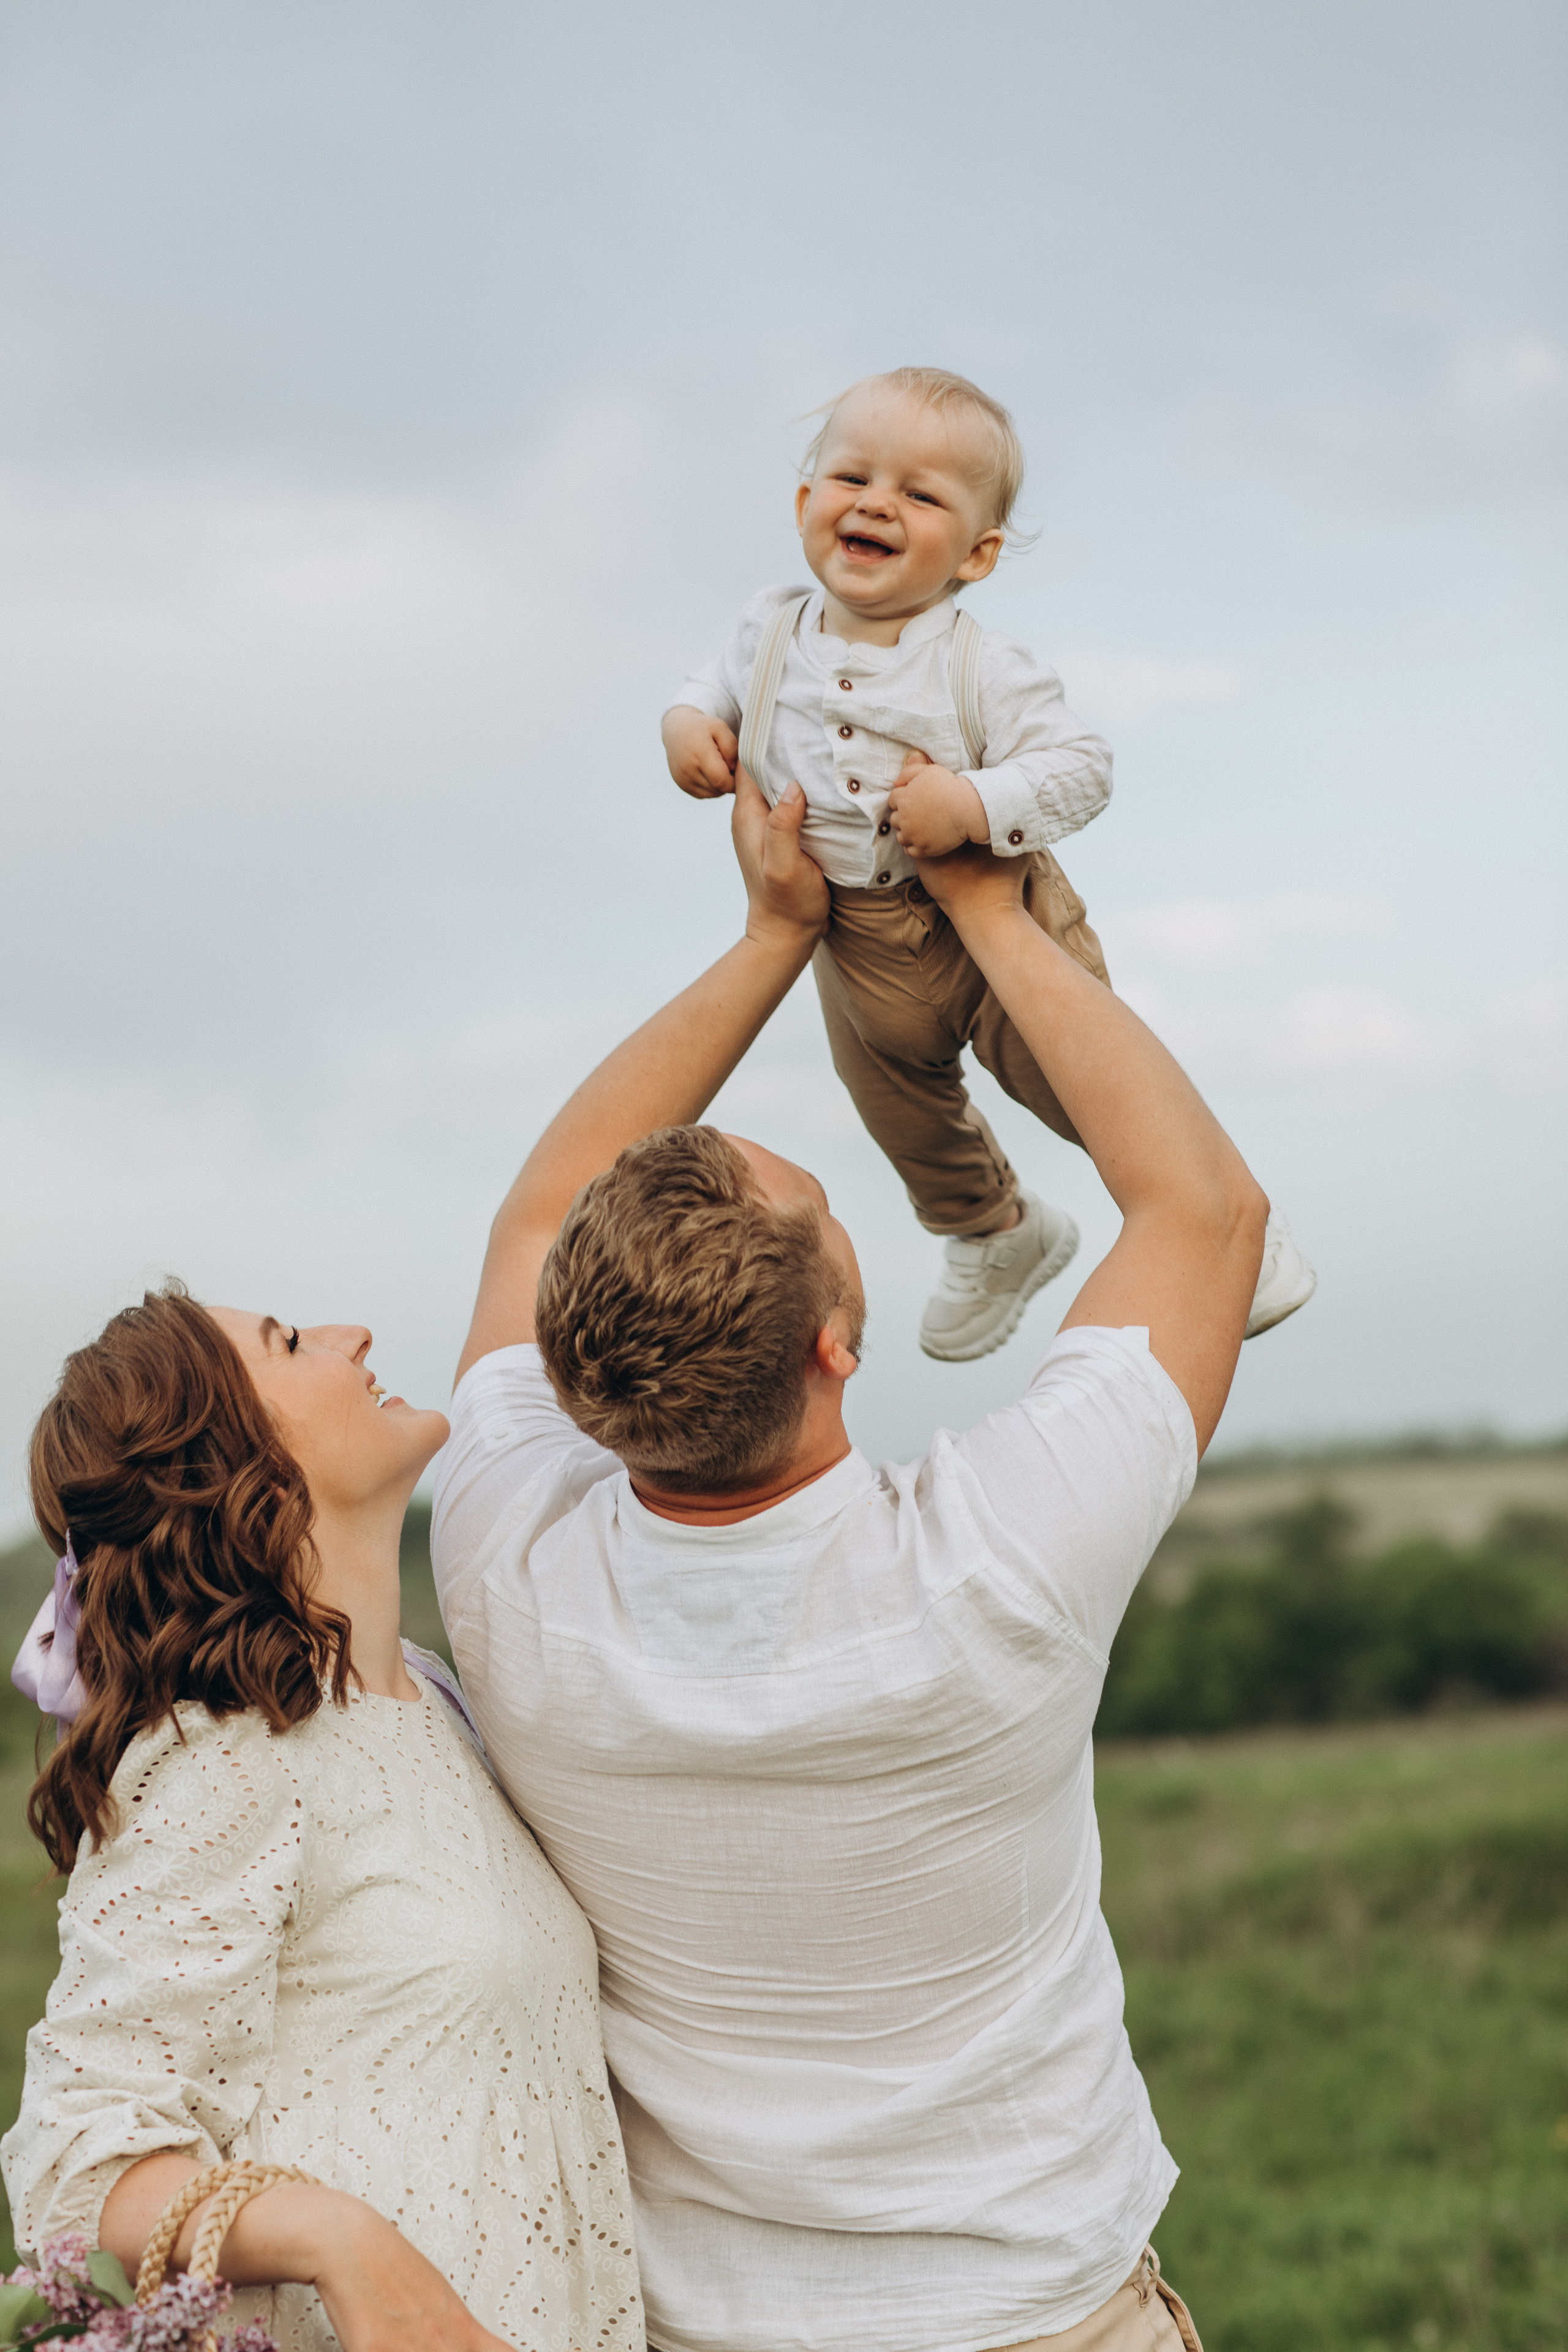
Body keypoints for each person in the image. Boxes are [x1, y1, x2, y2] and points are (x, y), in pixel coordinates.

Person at [431, 771, 1269, 2352]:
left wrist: (769, 935)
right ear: (836, 1339)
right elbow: (1205, 1204)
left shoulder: (504, 1562)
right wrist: (982, 908)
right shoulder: (995, 1562)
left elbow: (541, 1207)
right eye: (819, 1203)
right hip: (1037, 2314)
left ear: (569, 1370)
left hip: (702, 2327)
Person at [1, 1284, 643, 2352]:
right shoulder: (227, 1758)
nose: (357, 1335)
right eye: (292, 1342)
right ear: (233, 1459)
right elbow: (77, 2169)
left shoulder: (443, 1705)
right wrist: (351, 2248)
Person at [662, 363, 1313, 1360]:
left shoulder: (983, 666)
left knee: (1082, 1083)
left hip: (991, 932)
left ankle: (1230, 1219)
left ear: (978, 554)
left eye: (921, 495)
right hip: (850, 940)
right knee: (900, 1114)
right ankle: (995, 1234)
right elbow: (709, 687)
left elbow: (1083, 770)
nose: (878, 501)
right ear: (805, 502)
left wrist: (973, 802)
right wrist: (688, 724)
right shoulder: (767, 629)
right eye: (852, 478)